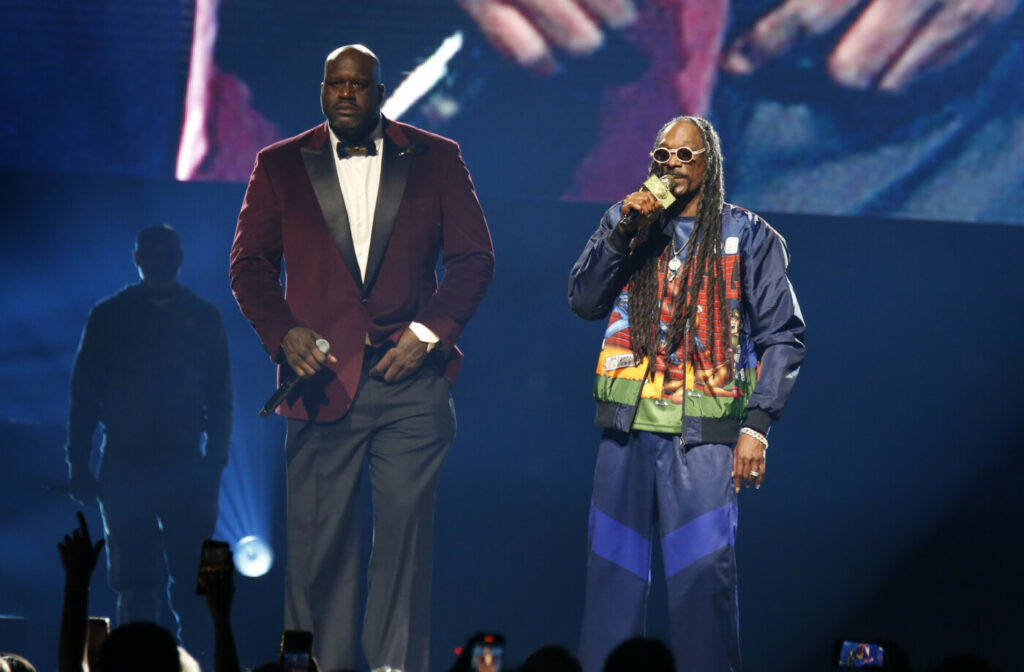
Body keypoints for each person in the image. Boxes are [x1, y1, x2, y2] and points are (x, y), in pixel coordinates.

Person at [229, 44, 494, 672]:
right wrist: (283, 332)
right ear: (323, 90)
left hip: (411, 385)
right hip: (318, 382)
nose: (346, 94)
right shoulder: (280, 163)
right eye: (335, 84)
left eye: (358, 84)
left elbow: (473, 259)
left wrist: (428, 334)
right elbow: (249, 266)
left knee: (402, 545)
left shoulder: (436, 157)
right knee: (320, 552)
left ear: (380, 91)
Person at [568, 116, 805, 671]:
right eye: (661, 156)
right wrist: (625, 231)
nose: (671, 165)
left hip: (704, 440)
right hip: (626, 432)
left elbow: (783, 336)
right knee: (611, 580)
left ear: (709, 163)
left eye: (684, 155)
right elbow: (583, 300)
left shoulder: (748, 235)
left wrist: (757, 426)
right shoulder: (625, 222)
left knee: (703, 585)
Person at [64, 224, 233, 659]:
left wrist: (212, 466)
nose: (160, 259)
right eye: (153, 252)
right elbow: (84, 396)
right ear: (140, 258)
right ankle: (144, 665)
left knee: (180, 583)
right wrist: (79, 467)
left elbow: (220, 397)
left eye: (166, 251)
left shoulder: (199, 317)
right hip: (133, 464)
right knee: (138, 581)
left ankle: (174, 663)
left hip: (172, 466)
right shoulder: (112, 315)